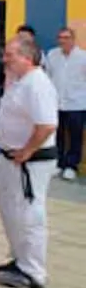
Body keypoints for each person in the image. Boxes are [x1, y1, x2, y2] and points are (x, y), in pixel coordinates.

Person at [0, 34, 58, 288]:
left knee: (29, 216)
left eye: (10, 55)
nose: (5, 59)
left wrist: (28, 150)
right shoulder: (19, 81)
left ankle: (34, 271)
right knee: (10, 211)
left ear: (27, 58)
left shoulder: (37, 84)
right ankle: (19, 260)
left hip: (29, 163)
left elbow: (47, 125)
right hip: (10, 159)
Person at [45, 27, 86, 181]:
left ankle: (71, 166)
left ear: (73, 39)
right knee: (57, 135)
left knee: (75, 136)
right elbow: (48, 76)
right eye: (60, 37)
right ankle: (59, 163)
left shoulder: (83, 57)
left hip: (78, 103)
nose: (63, 40)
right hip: (57, 103)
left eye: (66, 37)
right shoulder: (52, 55)